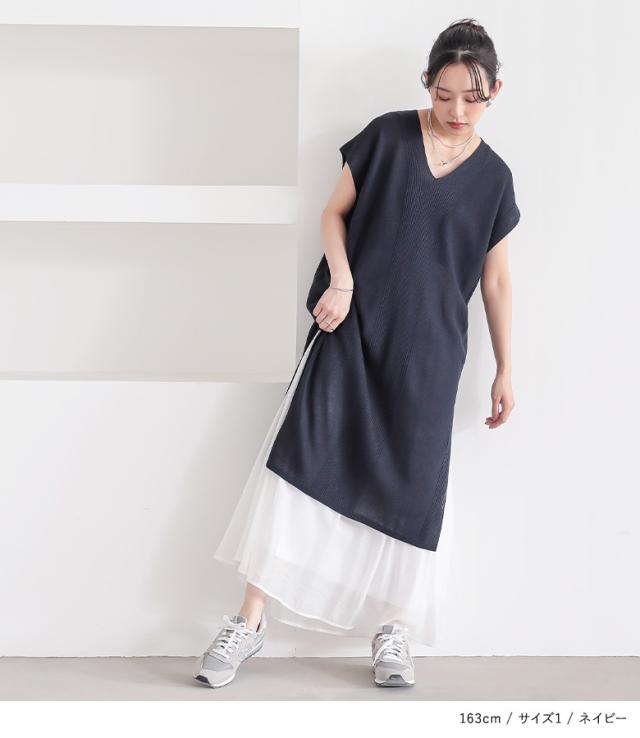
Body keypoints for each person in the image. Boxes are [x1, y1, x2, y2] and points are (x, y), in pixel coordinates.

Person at [193, 17, 522, 690]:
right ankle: (249, 620)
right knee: (299, 460)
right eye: (445, 95)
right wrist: (341, 280)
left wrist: (506, 366)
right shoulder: (387, 137)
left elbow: (496, 280)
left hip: (429, 356)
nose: (457, 111)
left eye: (473, 98)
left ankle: (394, 629)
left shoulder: (494, 179)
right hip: (351, 330)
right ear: (426, 83)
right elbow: (333, 214)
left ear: (496, 92)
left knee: (413, 489)